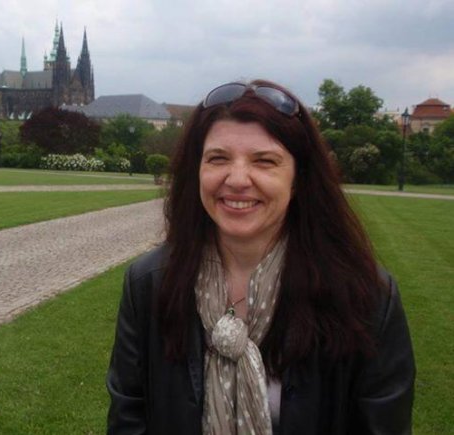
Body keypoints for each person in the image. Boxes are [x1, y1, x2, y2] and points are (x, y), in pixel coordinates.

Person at [106, 80, 415, 434]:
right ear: (197, 171)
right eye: (218, 158)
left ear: (298, 179)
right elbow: (128, 420)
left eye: (264, 161)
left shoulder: (365, 297)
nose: (237, 179)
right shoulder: (149, 285)